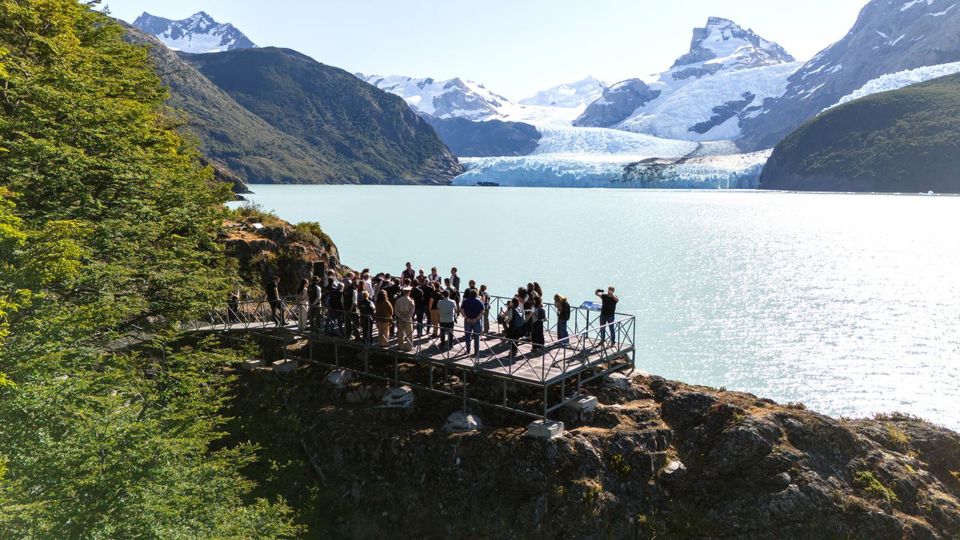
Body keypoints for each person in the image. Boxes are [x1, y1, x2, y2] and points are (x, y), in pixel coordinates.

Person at [461, 289, 484, 355]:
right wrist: (476, 319)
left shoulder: (465, 301)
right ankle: (476, 351)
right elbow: (482, 312)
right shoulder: (479, 302)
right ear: (476, 294)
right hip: (476, 321)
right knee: (477, 336)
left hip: (467, 321)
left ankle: (468, 350)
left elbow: (462, 310)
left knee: (467, 335)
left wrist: (466, 318)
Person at [394, 287, 416, 351]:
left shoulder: (398, 300)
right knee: (409, 333)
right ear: (409, 292)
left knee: (400, 332)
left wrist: (400, 316)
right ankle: (409, 347)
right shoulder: (411, 300)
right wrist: (408, 317)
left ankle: (400, 346)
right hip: (408, 318)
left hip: (400, 318)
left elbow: (396, 310)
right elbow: (412, 310)